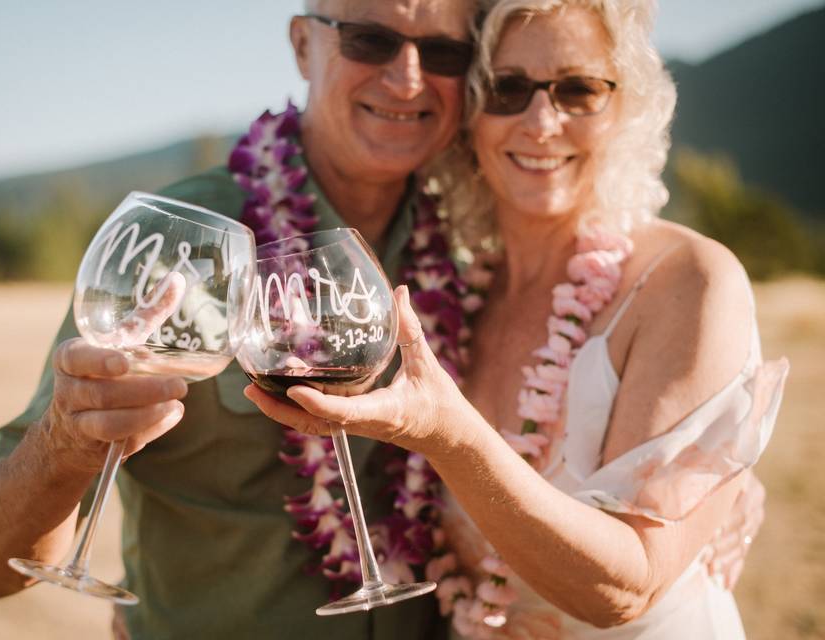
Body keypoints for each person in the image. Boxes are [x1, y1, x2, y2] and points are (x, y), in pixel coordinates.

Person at [244, 1, 788, 638]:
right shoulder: (452, 293)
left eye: (578, 90)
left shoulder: (688, 279)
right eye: (507, 89)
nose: (541, 121)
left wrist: (450, 437)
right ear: (471, 114)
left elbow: (628, 585)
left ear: (625, 107)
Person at [0, 1, 477, 638]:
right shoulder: (178, 241)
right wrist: (66, 442)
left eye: (445, 52)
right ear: (301, 45)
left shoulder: (474, 239)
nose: (407, 78)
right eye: (370, 40)